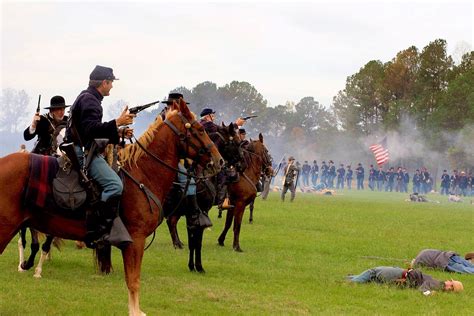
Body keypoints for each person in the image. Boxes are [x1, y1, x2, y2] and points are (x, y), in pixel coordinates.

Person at [65, 65, 135, 249]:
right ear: (104, 82)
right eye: (111, 82)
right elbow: (90, 131)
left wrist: (119, 132)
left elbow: (93, 129)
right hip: (83, 153)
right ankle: (100, 232)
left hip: (80, 149)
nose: (112, 86)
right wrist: (118, 122)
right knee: (115, 185)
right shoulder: (90, 101)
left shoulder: (86, 97)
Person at [199, 107, 245, 214]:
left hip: (206, 157)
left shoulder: (204, 124)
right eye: (212, 115)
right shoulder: (207, 124)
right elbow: (222, 130)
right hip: (206, 158)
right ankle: (221, 201)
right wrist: (236, 124)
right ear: (207, 116)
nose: (214, 117)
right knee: (223, 175)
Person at [347, 266, 463, 294]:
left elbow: (423, 288)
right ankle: (349, 279)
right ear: (449, 281)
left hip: (398, 275)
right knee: (372, 275)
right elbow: (424, 287)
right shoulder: (437, 283)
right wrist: (429, 293)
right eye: (451, 284)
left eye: (451, 289)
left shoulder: (438, 284)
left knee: (372, 274)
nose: (449, 287)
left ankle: (348, 279)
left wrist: (428, 293)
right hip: (399, 275)